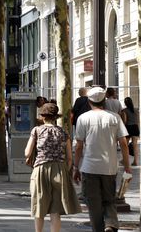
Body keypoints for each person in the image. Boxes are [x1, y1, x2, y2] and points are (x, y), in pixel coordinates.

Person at [73, 87, 132, 232]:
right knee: (109, 199)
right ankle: (110, 224)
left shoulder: (83, 118)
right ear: (104, 100)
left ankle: (98, 229)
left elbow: (79, 145)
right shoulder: (114, 117)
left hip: (89, 167)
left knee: (93, 203)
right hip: (110, 167)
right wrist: (127, 165)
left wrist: (75, 167)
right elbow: (124, 143)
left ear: (89, 101)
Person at [24, 103, 81, 232]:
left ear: (42, 117)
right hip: (60, 169)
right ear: (56, 117)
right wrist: (65, 169)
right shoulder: (63, 132)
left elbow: (27, 153)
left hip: (41, 169)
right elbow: (69, 157)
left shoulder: (36, 130)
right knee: (55, 210)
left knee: (39, 206)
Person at [121, 97, 139, 166]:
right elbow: (137, 120)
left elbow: (125, 121)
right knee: (135, 145)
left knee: (125, 145)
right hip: (135, 127)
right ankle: (135, 162)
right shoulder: (136, 110)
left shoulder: (124, 111)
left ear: (125, 103)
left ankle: (124, 161)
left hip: (128, 128)